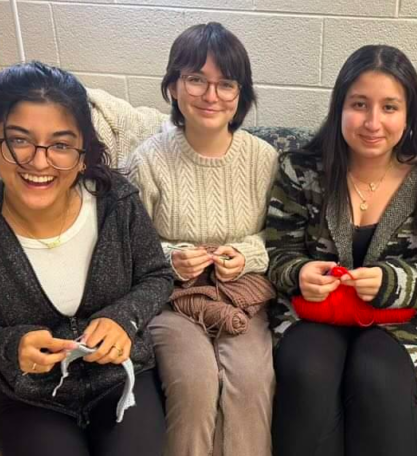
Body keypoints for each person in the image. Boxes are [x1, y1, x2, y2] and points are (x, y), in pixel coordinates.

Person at [0, 62, 173, 456]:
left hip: (121, 380)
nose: (39, 162)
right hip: (30, 399)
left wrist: (123, 318)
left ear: (82, 155)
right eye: (19, 140)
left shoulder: (117, 202)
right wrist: (12, 346)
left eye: (60, 144)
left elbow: (157, 275)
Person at [265, 44, 417, 456]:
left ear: (409, 115)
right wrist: (299, 273)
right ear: (339, 109)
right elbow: (276, 254)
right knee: (307, 373)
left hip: (395, 322)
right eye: (359, 105)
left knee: (378, 380)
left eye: (389, 107)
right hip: (312, 316)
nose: (372, 122)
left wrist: (393, 281)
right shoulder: (300, 168)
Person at [126, 22, 278, 456]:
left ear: (240, 95)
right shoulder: (148, 160)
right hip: (172, 296)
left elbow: (282, 237)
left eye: (225, 84)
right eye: (196, 79)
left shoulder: (263, 158)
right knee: (194, 381)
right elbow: (128, 246)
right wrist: (172, 257)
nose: (211, 96)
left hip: (242, 295)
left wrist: (246, 254)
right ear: (174, 86)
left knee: (251, 380)